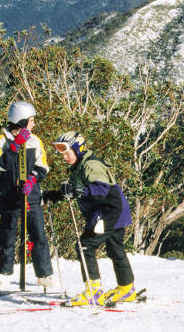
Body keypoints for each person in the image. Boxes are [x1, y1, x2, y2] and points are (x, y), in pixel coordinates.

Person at [43, 131, 136, 307]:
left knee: (84, 245)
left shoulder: (91, 165)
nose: (64, 157)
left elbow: (101, 190)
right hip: (115, 210)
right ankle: (127, 288)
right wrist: (53, 196)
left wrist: (81, 191)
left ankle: (94, 292)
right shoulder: (79, 166)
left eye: (67, 152)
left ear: (78, 149)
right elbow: (76, 190)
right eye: (61, 153)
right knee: (115, 248)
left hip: (109, 211)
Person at [0, 101, 55, 288]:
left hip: (31, 194)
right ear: (22, 121)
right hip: (10, 194)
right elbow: (1, 164)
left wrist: (33, 179)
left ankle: (44, 274)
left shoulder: (35, 140)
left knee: (38, 233)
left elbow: (42, 166)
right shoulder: (1, 140)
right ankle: (3, 273)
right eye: (31, 120)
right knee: (8, 233)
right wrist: (14, 147)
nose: (34, 124)